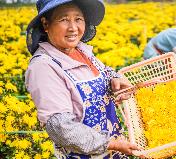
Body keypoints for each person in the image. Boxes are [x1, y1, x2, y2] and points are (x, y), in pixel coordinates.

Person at [25, 0, 139, 158]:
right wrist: (111, 144)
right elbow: (61, 128)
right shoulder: (43, 67)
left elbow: (106, 72)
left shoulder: (82, 51)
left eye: (78, 19)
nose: (73, 28)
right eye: (64, 20)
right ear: (45, 24)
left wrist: (115, 80)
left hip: (114, 152)